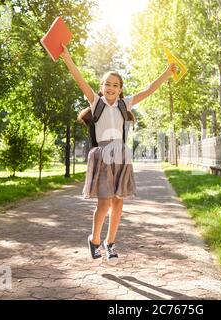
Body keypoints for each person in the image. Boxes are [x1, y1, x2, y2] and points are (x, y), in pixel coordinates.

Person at [61, 44, 176, 264]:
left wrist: (167, 73)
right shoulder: (96, 103)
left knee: (118, 202)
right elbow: (79, 80)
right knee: (104, 204)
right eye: (107, 84)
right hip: (103, 156)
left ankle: (110, 243)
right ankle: (94, 240)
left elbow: (149, 89)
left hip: (121, 156)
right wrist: (67, 57)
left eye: (116, 85)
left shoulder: (125, 103)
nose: (111, 88)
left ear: (121, 89)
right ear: (101, 87)